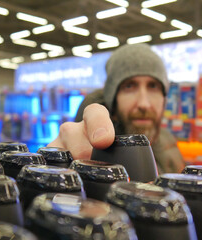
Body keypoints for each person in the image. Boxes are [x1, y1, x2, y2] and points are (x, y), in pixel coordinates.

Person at [48, 43, 185, 173]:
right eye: (129, 86)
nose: (144, 104)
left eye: (153, 86)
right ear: (112, 101)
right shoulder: (94, 155)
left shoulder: (168, 141)